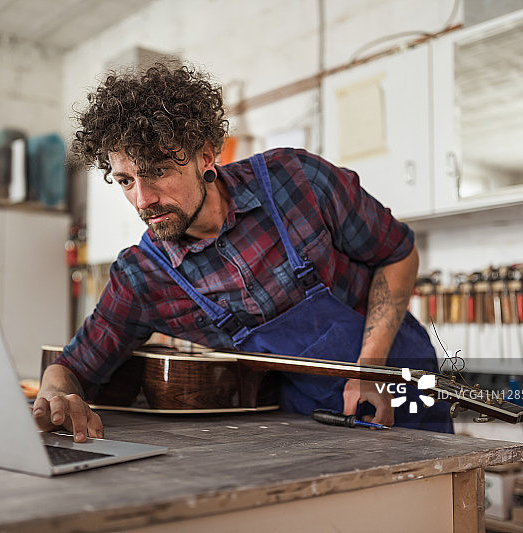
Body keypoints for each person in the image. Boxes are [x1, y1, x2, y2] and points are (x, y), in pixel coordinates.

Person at [31, 63, 453, 442]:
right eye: (125, 181)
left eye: (158, 172)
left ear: (205, 157)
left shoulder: (296, 182)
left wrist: (369, 369)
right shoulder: (144, 277)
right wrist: (54, 394)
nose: (143, 200)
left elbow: (398, 253)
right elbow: (72, 367)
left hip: (402, 379)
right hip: (316, 418)